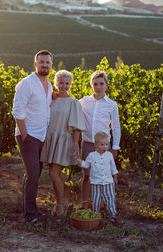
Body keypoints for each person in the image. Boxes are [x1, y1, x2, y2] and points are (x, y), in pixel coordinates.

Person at [12, 50, 53, 224]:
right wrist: (25, 135)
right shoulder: (26, 83)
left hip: (41, 136)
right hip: (28, 135)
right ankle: (29, 215)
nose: (45, 65)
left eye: (48, 62)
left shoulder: (49, 84)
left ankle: (31, 209)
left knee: (34, 174)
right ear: (35, 64)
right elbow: (16, 111)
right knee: (34, 173)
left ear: (51, 65)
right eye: (41, 62)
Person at [40, 70, 85, 217]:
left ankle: (61, 204)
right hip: (50, 139)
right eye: (61, 82)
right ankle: (61, 201)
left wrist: (75, 145)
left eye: (67, 83)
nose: (64, 86)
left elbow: (77, 127)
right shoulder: (51, 99)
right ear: (56, 83)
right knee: (53, 172)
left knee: (54, 173)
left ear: (71, 84)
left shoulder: (74, 103)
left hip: (63, 140)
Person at [79, 70, 121, 209]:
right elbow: (71, 105)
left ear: (106, 85)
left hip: (103, 146)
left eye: (101, 84)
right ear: (91, 85)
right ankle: (85, 206)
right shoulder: (84, 101)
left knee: (103, 178)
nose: (98, 87)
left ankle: (101, 207)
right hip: (88, 144)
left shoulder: (111, 105)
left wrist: (115, 147)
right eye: (95, 84)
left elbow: (116, 127)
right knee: (87, 176)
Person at [76, 131, 118, 223]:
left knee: (110, 198)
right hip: (95, 183)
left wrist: (115, 177)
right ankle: (96, 215)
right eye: (102, 145)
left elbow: (113, 167)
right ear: (95, 144)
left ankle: (113, 215)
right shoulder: (91, 156)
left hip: (108, 182)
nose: (105, 147)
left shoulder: (109, 155)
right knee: (96, 199)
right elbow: (86, 165)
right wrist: (79, 160)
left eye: (107, 144)